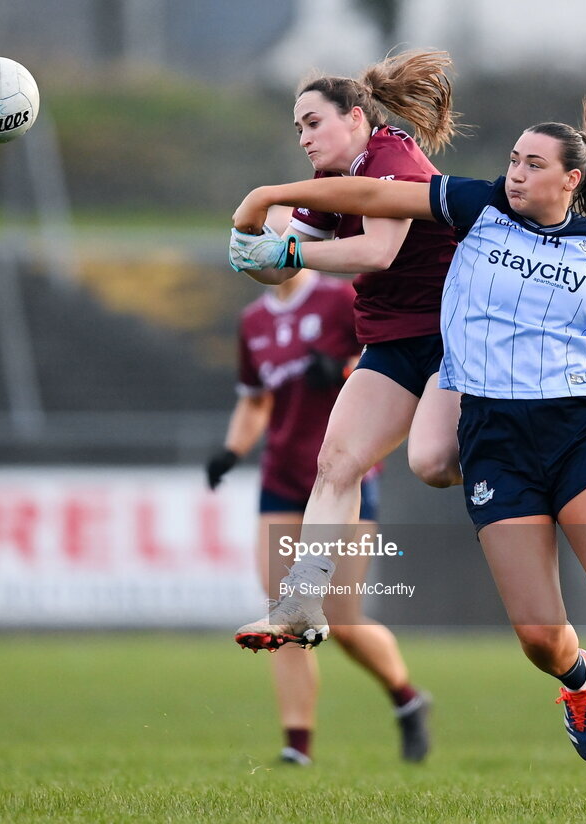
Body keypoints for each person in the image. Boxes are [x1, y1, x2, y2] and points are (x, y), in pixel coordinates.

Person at [229, 99, 586, 802]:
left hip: (580, 435)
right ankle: (577, 680)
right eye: (513, 160)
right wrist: (275, 195)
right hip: (496, 446)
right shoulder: (478, 206)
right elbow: (374, 194)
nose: (516, 173)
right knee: (538, 637)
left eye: (533, 164)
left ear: (571, 178)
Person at [228, 49, 467, 655]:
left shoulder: (391, 155)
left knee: (434, 465)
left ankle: (526, 454)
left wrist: (284, 250)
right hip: (389, 342)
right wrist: (254, 246)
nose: (305, 137)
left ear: (356, 118)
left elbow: (376, 252)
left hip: (453, 341)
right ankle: (304, 601)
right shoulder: (332, 184)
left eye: (313, 122)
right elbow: (282, 269)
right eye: (298, 128)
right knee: (336, 462)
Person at [208, 226, 430, 764]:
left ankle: (405, 698)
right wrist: (232, 450)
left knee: (345, 621)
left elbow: (394, 363)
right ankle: (297, 747)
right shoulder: (253, 322)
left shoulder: (341, 299)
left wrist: (345, 367)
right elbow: (255, 401)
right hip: (282, 479)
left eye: (276, 232)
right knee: (282, 614)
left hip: (343, 478)